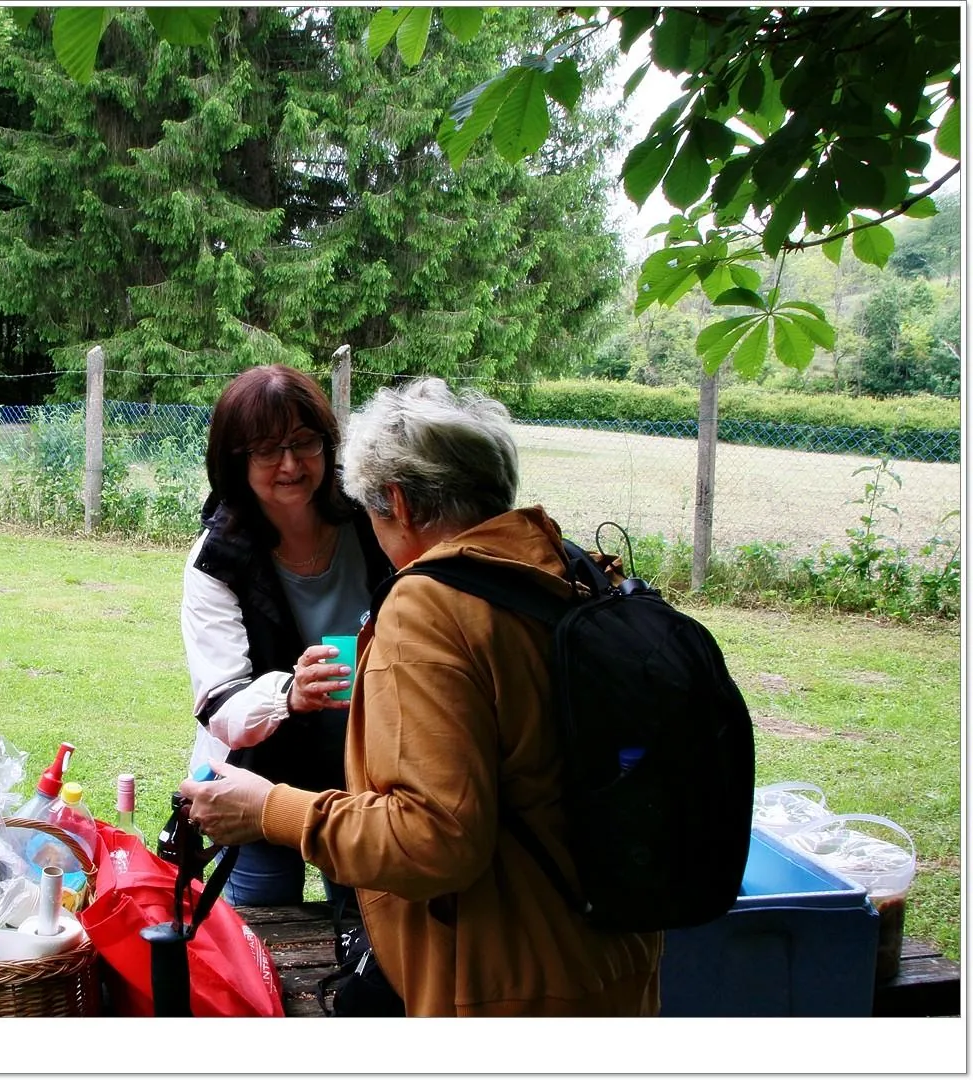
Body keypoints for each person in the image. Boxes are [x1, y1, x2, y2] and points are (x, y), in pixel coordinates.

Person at [181, 379, 663, 1016]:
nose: (291, 464)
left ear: (400, 504)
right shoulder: (564, 565)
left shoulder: (428, 608)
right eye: (268, 450)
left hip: (505, 978)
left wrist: (273, 811)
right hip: (614, 950)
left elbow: (434, 839)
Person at [181, 365, 392, 907]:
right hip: (257, 780)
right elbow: (219, 705)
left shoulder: (372, 521)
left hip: (366, 777)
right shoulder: (219, 557)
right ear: (236, 459)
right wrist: (290, 694)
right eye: (267, 450)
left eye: (304, 442)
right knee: (260, 928)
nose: (292, 464)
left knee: (368, 921)